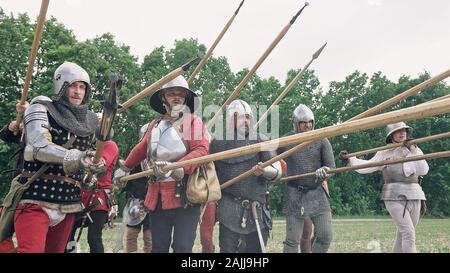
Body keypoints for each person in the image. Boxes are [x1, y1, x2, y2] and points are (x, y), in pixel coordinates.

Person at [9, 61, 105, 253]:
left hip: (68, 201)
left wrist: (93, 169)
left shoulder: (90, 121)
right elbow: (36, 147)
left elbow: (89, 158)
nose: (78, 91)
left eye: (82, 87)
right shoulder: (40, 109)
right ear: (61, 86)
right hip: (36, 195)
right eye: (72, 86)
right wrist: (78, 158)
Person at [113, 75, 209, 253]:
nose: (176, 97)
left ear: (186, 98)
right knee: (158, 248)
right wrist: (124, 167)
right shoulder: (155, 124)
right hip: (157, 195)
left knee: (182, 247)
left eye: (180, 93)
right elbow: (142, 148)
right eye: (171, 93)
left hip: (185, 195)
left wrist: (177, 167)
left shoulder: (192, 122)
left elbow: (201, 151)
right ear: (163, 97)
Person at [340, 122, 428, 253]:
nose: (402, 133)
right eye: (398, 131)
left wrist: (413, 151)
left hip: (415, 194)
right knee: (408, 233)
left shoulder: (415, 148)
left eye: (404, 130)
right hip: (393, 195)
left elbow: (423, 170)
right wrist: (350, 160)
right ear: (391, 134)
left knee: (403, 235)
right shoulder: (384, 152)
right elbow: (368, 165)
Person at [212, 99, 282, 253]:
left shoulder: (261, 140)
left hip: (256, 208)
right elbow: (211, 175)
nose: (245, 121)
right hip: (228, 207)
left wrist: (265, 171)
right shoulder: (217, 143)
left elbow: (277, 173)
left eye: (248, 117)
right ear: (231, 119)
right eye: (240, 117)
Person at [281, 104, 335, 253]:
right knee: (292, 240)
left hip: (316, 192)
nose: (308, 125)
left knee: (325, 236)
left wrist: (325, 171)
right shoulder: (287, 140)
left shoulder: (321, 139)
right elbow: (270, 156)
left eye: (310, 121)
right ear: (296, 123)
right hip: (294, 193)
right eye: (303, 122)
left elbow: (331, 167)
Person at [67, 138, 118, 253]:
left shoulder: (110, 144)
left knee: (93, 238)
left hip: (98, 197)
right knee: (67, 236)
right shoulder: (83, 144)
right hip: (78, 196)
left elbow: (100, 165)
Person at [121, 124, 152, 253]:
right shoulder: (136, 153)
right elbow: (125, 174)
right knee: (131, 235)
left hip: (152, 199)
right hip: (136, 199)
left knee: (149, 237)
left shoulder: (158, 153)